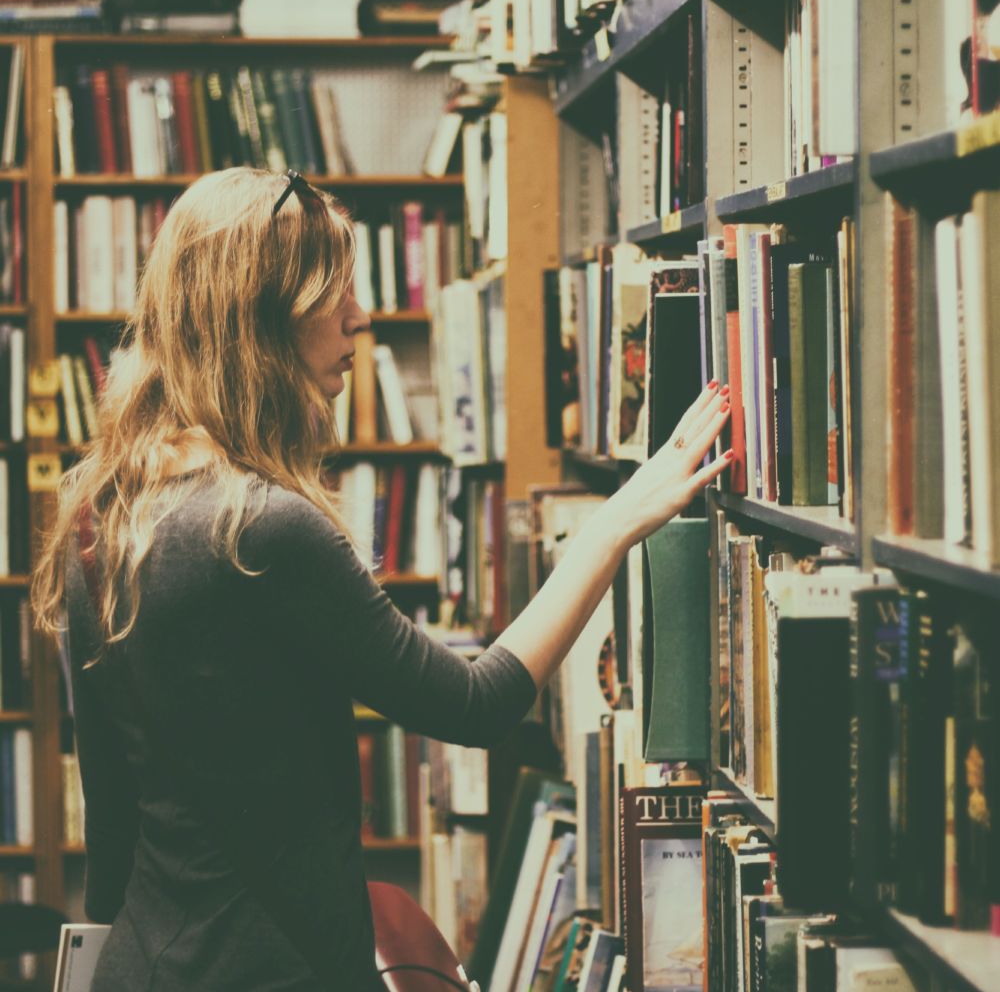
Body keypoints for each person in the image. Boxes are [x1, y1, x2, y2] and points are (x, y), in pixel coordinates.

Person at [32, 167, 733, 991]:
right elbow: (474, 704)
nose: (361, 317)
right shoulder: (263, 527)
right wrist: (614, 525)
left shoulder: (101, 521)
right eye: (336, 293)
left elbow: (112, 832)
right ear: (260, 320)